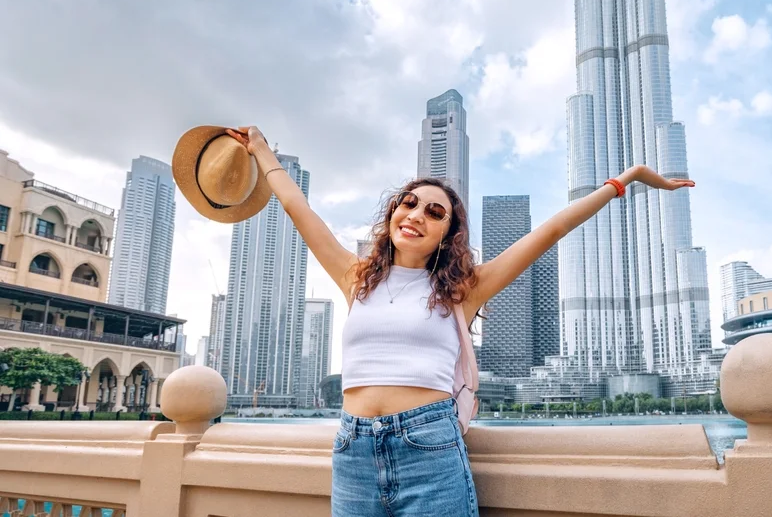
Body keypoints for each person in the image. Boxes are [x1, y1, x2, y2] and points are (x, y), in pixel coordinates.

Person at [226, 125, 694, 517]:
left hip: (428, 446)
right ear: (392, 214)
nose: (416, 216)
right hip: (353, 449)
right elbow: (297, 208)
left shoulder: (460, 291)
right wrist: (262, 150)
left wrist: (625, 179)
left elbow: (551, 230)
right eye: (407, 204)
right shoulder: (356, 279)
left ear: (447, 233)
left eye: (434, 213)